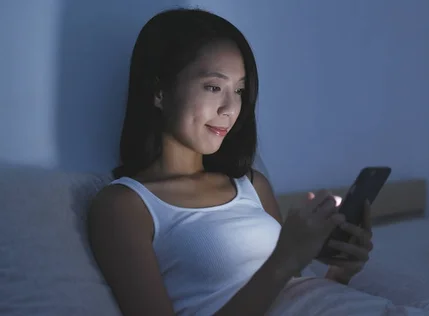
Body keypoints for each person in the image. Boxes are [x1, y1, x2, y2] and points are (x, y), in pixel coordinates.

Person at [87, 8, 374, 316]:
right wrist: (285, 258)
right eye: (213, 87)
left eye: (239, 90)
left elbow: (293, 296)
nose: (230, 107)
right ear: (159, 91)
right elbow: (278, 276)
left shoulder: (251, 184)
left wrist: (339, 275)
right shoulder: (124, 205)